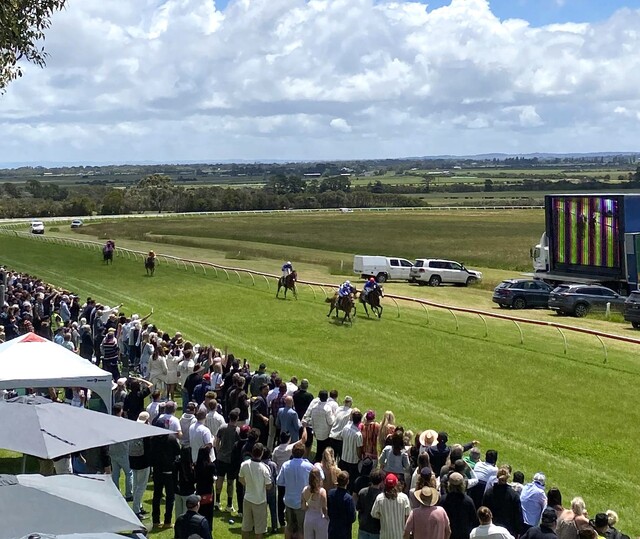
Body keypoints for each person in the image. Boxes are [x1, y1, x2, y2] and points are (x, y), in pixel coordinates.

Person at [277, 441, 316, 539]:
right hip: (301, 503)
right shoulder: (308, 466)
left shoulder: (286, 465)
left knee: (289, 527)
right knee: (301, 529)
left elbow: (279, 481)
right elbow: (319, 476)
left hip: (289, 500)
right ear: (303, 453)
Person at [239, 443, 272, 539]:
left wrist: (249, 485)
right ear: (262, 453)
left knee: (245, 526)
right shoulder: (265, 468)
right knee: (259, 529)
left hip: (247, 498)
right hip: (260, 501)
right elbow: (268, 486)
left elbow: (241, 479)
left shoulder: (244, 464)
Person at [482, 466, 524, 538]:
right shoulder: (514, 495)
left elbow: (484, 511)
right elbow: (518, 516)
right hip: (508, 532)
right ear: (507, 478)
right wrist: (519, 531)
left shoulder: (488, 493)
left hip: (490, 531)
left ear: (497, 476)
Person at [371, 473, 411, 539]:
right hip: (400, 535)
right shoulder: (404, 498)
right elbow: (407, 517)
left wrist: (383, 515)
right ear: (396, 483)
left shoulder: (380, 498)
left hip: (385, 535)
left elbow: (374, 514)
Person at [439, 472, 478, 539]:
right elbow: (474, 520)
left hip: (448, 535)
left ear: (449, 484)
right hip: (464, 535)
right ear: (462, 485)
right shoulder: (468, 501)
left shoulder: (443, 500)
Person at [328, 470, 356, 539]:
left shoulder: (330, 493)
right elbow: (352, 517)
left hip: (332, 528)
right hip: (344, 531)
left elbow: (328, 509)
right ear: (347, 482)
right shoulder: (348, 498)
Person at [302, 467, 329, 539]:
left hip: (308, 518)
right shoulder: (322, 492)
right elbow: (324, 508)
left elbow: (303, 507)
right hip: (320, 518)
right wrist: (326, 516)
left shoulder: (305, 490)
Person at [356, 469, 383, 539]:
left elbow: (358, 508)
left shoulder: (362, 492)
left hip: (363, 526)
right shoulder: (381, 496)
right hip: (376, 529)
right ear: (381, 481)